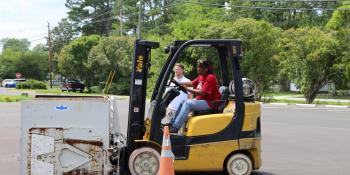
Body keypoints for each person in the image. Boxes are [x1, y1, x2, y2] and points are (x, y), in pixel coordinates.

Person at [169, 59, 221, 133]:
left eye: (200, 67)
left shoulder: (210, 77)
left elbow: (202, 93)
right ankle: (173, 124)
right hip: (202, 101)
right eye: (198, 67)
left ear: (206, 69)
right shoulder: (201, 76)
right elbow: (191, 83)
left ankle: (175, 127)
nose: (198, 69)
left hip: (210, 103)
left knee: (188, 103)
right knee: (183, 101)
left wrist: (187, 89)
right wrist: (179, 83)